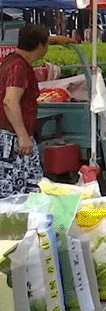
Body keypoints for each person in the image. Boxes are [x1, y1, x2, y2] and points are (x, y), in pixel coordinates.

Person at [0, 25, 50, 197]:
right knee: (17, 192)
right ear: (40, 46)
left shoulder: (11, 60)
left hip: (13, 137)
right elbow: (10, 102)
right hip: (12, 140)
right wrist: (22, 136)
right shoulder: (19, 67)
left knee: (28, 188)